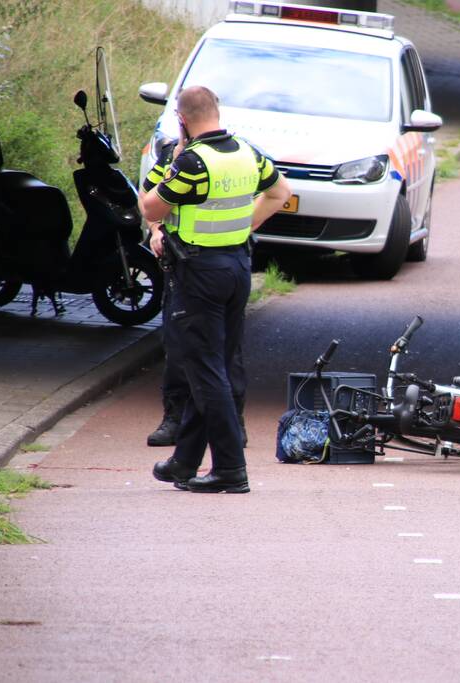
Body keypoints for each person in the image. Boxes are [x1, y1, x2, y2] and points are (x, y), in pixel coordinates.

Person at [140, 85, 291, 493]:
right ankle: (185, 463)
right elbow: (281, 193)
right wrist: (246, 226)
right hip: (237, 265)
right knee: (215, 366)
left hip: (199, 271)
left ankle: (230, 468)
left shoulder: (192, 162)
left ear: (182, 119)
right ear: (217, 112)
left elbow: (151, 207)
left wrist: (167, 166)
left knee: (205, 371)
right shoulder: (247, 152)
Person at [140, 150, 246, 449]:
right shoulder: (177, 157)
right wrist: (156, 230)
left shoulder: (236, 153)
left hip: (221, 261)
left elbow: (278, 192)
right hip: (185, 261)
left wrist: (245, 229)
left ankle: (233, 422)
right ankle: (175, 419)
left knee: (225, 346)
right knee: (178, 342)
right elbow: (148, 194)